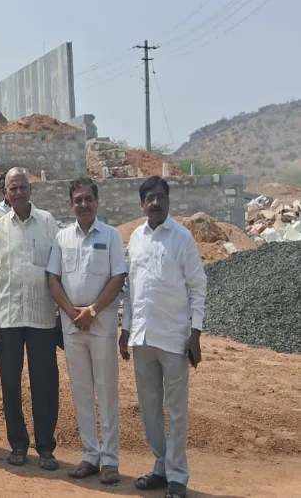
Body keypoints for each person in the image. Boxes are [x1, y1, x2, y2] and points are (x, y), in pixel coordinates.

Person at [121, 176, 206, 498]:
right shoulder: (136, 240)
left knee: (177, 408)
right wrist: (125, 329)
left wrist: (195, 334)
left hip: (174, 337)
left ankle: (178, 476)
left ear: (167, 200)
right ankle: (160, 465)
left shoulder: (182, 238)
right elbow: (130, 291)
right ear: (142, 204)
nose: (154, 202)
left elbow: (198, 287)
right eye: (149, 198)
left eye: (160, 196)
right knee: (149, 407)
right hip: (142, 337)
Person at [47, 176, 128, 485]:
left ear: (97, 202)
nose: (83, 204)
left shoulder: (110, 236)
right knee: (81, 392)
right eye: (77, 200)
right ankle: (89, 456)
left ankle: (110, 461)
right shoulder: (62, 237)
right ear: (71, 205)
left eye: (87, 199)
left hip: (101, 325)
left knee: (106, 392)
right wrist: (71, 312)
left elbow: (118, 278)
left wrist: (92, 311)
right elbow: (53, 279)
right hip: (71, 326)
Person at [0, 167, 60, 470]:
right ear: (6, 192)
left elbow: (58, 269)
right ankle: (18, 444)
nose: (18, 192)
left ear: (31, 189)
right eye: (12, 188)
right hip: (9, 319)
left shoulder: (48, 223)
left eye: (22, 187)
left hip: (41, 318)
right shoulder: (0, 228)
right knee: (11, 384)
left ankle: (46, 447)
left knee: (44, 383)